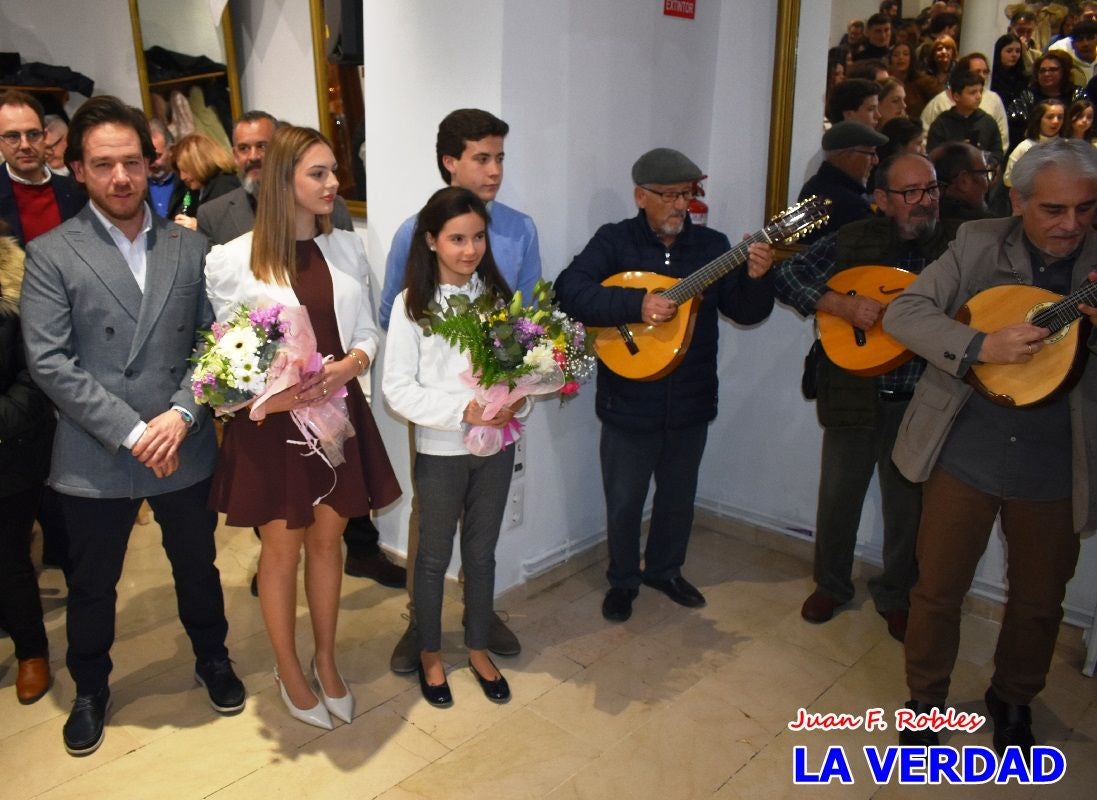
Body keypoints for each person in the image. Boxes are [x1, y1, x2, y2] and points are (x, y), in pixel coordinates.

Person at [20, 95, 244, 757]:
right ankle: (90, 687)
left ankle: (213, 657)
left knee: (198, 567)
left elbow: (215, 340)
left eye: (131, 163)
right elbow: (50, 361)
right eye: (103, 164)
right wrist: (134, 431)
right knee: (93, 585)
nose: (121, 177)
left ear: (150, 165)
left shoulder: (190, 243)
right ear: (78, 170)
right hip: (97, 452)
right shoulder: (52, 253)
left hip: (185, 440)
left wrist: (179, 414)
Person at [883, 137, 1097, 756]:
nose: (1071, 225)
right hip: (966, 446)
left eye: (1085, 209)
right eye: (1053, 210)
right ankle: (925, 700)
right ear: (1020, 200)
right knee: (937, 588)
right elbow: (905, 314)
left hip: (1058, 456)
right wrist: (980, 347)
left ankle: (1012, 699)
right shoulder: (979, 242)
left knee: (1037, 600)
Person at [204, 126, 401, 729]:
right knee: (281, 551)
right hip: (273, 430)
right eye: (318, 173)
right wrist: (277, 392)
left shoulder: (344, 248)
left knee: (328, 541)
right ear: (284, 179)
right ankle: (288, 667)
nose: (333, 184)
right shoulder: (230, 260)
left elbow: (369, 328)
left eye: (334, 171)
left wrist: (353, 361)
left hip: (339, 415)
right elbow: (226, 359)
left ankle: (327, 657)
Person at [555, 148, 775, 622]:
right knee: (625, 499)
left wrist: (758, 277)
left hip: (692, 397)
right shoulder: (613, 241)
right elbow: (569, 290)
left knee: (678, 496)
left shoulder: (713, 247)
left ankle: (665, 570)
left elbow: (746, 310)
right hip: (628, 398)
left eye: (688, 194)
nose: (681, 205)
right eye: (671, 195)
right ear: (641, 195)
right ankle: (623, 580)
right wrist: (638, 305)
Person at [382, 109, 542, 673]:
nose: (470, 248)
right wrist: (461, 407)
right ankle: (424, 634)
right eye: (482, 157)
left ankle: (477, 630)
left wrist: (518, 394)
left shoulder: (512, 247)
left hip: (495, 437)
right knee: (432, 539)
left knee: (482, 544)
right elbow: (398, 365)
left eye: (500, 157)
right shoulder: (413, 276)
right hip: (440, 433)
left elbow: (530, 329)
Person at [774, 153, 957, 643]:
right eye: (911, 192)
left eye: (932, 189)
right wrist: (840, 304)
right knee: (838, 497)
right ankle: (831, 585)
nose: (925, 202)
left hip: (921, 399)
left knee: (907, 509)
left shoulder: (958, 246)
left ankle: (897, 595)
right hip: (853, 391)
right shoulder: (852, 238)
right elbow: (786, 276)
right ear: (881, 200)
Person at [0, 219, 54, 705]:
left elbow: (36, 373)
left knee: (9, 558)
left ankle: (31, 652)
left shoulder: (16, 283)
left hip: (10, 450)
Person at [197, 111, 354, 244]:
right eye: (244, 148)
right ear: (235, 156)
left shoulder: (333, 207)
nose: (253, 156)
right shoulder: (213, 216)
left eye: (262, 146)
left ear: (281, 151)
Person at [0, 91, 85, 247]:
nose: (25, 145)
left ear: (45, 136)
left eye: (33, 134)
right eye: (13, 136)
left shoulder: (76, 191)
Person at [799, 122, 887, 243]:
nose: (876, 161)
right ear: (846, 156)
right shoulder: (852, 206)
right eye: (871, 154)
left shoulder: (813, 186)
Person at [921, 53, 1009, 151]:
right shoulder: (939, 104)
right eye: (977, 72)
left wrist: (990, 162)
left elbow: (1001, 140)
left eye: (985, 72)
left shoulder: (994, 101)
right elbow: (925, 137)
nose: (982, 76)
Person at [926, 70, 1005, 164]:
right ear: (956, 96)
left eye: (980, 91)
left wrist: (989, 161)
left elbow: (998, 153)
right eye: (973, 93)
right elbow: (932, 154)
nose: (979, 96)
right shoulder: (941, 123)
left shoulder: (988, 121)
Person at [167, 132, 239, 230]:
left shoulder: (226, 186)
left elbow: (233, 230)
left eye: (185, 170)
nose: (182, 177)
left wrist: (199, 227)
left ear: (200, 163)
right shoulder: (192, 192)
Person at [1003, 99, 1064, 187]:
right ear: (1039, 119)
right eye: (1050, 117)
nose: (1056, 121)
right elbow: (1008, 180)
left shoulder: (1067, 147)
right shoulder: (1024, 147)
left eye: (1060, 117)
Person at [930, 141, 993, 221]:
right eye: (983, 174)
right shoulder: (991, 229)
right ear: (963, 181)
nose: (987, 185)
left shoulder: (924, 223)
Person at [992, 34, 1033, 151]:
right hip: (997, 129)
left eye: (1018, 51)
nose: (1014, 55)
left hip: (1018, 133)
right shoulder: (991, 79)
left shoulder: (1024, 79)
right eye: (1009, 51)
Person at [888, 42, 939, 121]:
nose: (900, 58)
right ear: (890, 60)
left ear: (912, 58)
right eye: (896, 55)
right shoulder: (887, 83)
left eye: (905, 54)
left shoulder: (926, 82)